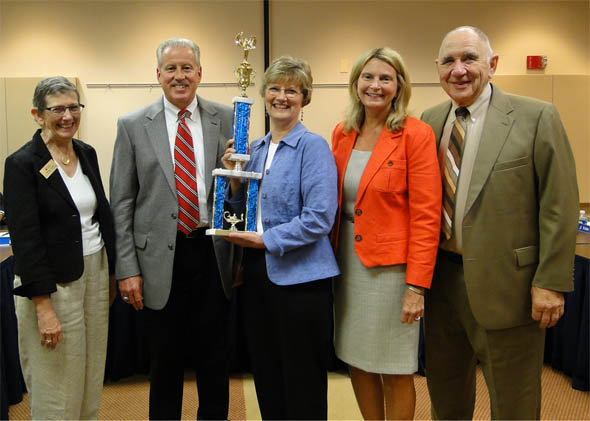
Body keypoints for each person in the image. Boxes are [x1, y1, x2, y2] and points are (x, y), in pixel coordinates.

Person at [422, 26, 579, 420]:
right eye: (449, 61)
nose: (459, 70)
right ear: (437, 68)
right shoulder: (430, 120)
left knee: (515, 404)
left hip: (511, 289)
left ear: (492, 64)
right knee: (445, 396)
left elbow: (559, 205)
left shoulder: (536, 116)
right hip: (441, 285)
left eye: (469, 59)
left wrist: (551, 282)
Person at [109, 38, 234, 420]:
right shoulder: (132, 125)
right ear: (158, 75)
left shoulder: (226, 118)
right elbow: (122, 201)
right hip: (158, 259)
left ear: (200, 73)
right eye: (171, 69)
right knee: (165, 362)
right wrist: (127, 268)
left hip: (212, 252)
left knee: (215, 360)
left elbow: (240, 191)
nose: (179, 76)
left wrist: (238, 259)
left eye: (186, 68)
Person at [222, 56, 339, 420]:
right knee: (267, 377)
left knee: (301, 383)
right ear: (264, 94)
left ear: (305, 98)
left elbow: (319, 218)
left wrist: (264, 240)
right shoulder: (252, 149)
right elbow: (242, 212)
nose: (282, 96)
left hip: (302, 282)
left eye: (292, 90)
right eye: (275, 88)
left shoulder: (313, 147)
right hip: (257, 276)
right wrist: (234, 179)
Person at [330, 47, 442, 420]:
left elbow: (427, 216)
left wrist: (416, 286)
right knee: (356, 361)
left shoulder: (416, 134)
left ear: (398, 87)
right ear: (356, 83)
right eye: (368, 77)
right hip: (346, 264)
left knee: (394, 368)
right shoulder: (343, 132)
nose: (375, 86)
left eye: (385, 78)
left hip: (393, 273)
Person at [4, 76, 116, 420]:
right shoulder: (22, 163)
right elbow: (26, 239)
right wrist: (44, 307)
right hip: (53, 286)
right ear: (38, 115)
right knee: (55, 383)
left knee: (89, 374)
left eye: (73, 107)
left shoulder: (85, 153)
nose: (68, 116)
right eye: (58, 109)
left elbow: (99, 213)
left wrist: (111, 274)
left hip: (94, 274)